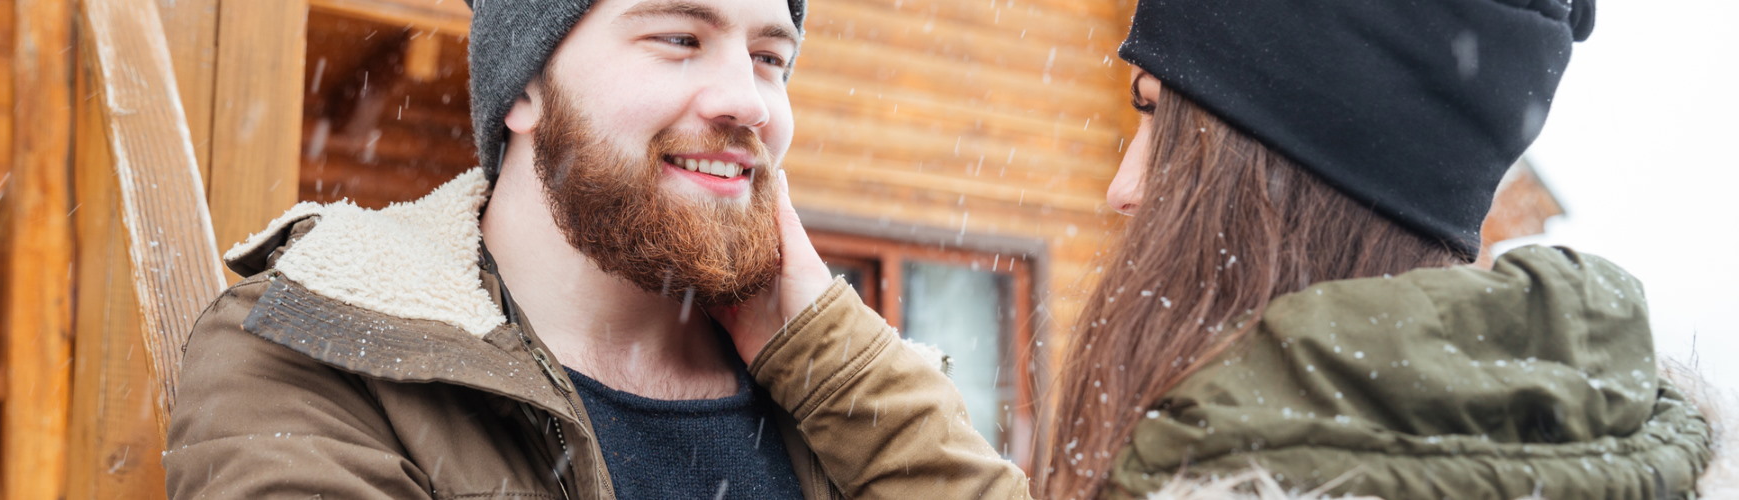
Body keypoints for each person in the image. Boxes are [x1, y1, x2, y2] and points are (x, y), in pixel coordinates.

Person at [722, 0, 1721, 498]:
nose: (1121, 184)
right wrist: (814, 335)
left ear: (1283, 174)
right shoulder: (1546, 438)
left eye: (1159, 118)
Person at [161, 0, 1025, 498]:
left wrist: (831, 354)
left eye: (769, 56)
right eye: (679, 37)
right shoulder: (311, 345)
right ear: (524, 86)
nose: (748, 101)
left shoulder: (825, 388)